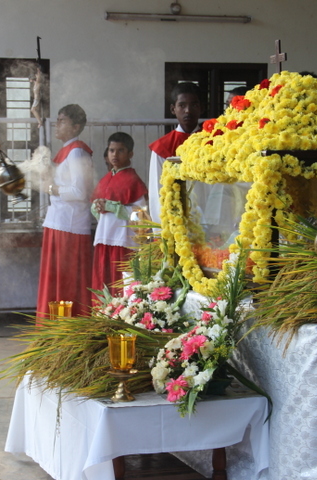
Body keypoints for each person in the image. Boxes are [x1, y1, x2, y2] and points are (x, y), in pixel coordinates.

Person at [36, 103, 94, 317]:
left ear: (76, 126)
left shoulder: (77, 152)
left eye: (62, 121)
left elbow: (80, 191)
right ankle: (52, 326)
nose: (57, 125)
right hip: (59, 221)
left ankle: (65, 324)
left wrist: (52, 188)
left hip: (69, 225)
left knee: (66, 281)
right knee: (55, 280)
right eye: (57, 120)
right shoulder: (68, 151)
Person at [90, 132, 148, 296]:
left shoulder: (133, 180)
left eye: (120, 150)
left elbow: (141, 216)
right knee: (103, 282)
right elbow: (98, 213)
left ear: (130, 154)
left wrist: (114, 207)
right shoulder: (105, 179)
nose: (115, 155)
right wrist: (97, 207)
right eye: (111, 150)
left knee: (120, 284)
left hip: (123, 241)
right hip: (104, 238)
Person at [148, 82, 203, 224]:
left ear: (201, 108)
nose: (188, 111)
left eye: (193, 105)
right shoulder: (163, 147)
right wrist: (162, 228)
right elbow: (157, 191)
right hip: (176, 222)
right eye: (182, 105)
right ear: (173, 109)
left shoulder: (213, 141)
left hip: (209, 220)